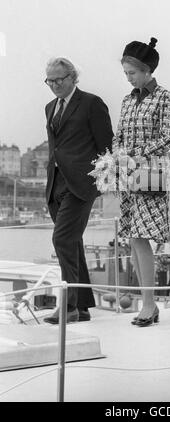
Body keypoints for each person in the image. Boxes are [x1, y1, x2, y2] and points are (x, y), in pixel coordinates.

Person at [113, 37, 170, 327]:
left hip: (151, 171)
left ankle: (149, 304)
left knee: (141, 235)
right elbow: (118, 135)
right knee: (134, 237)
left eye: (133, 73)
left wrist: (134, 154)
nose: (129, 79)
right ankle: (147, 303)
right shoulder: (127, 100)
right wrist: (117, 155)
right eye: (126, 73)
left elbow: (168, 138)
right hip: (128, 173)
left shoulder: (165, 97)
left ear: (148, 70)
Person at [44, 57, 114, 324]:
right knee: (72, 242)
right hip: (56, 185)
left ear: (73, 77)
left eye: (59, 80)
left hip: (81, 185)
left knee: (61, 240)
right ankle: (83, 306)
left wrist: (99, 183)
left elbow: (106, 146)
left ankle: (70, 306)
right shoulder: (50, 107)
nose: (54, 85)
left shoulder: (92, 103)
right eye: (49, 80)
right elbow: (57, 147)